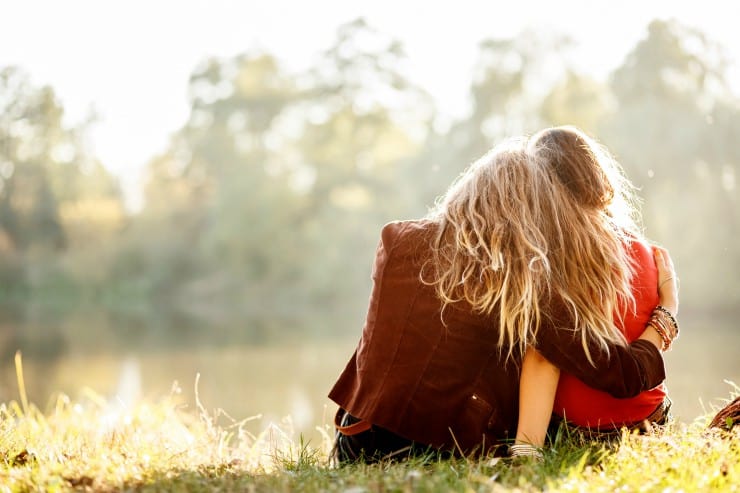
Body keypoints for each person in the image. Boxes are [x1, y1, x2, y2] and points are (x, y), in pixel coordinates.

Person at [329, 136, 678, 463]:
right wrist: (667, 312)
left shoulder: (396, 239)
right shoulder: (523, 277)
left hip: (356, 439)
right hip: (446, 448)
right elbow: (622, 375)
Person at [512, 126, 679, 458]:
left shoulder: (553, 257)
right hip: (650, 421)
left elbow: (545, 358)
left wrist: (526, 451)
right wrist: (671, 305)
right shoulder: (645, 251)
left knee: (538, 341)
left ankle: (527, 448)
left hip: (583, 434)